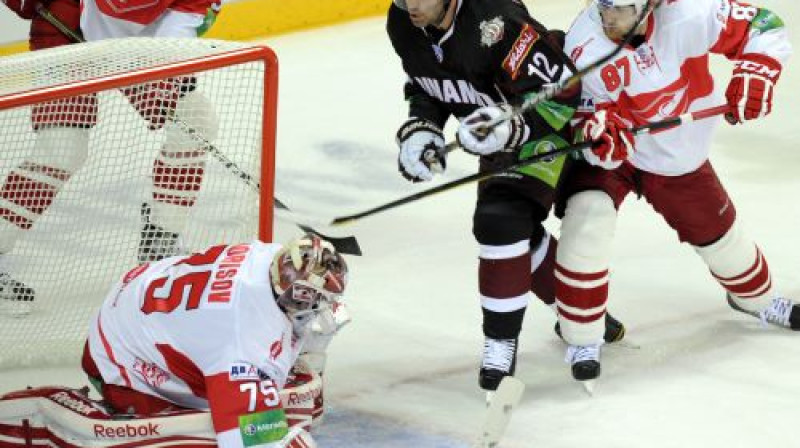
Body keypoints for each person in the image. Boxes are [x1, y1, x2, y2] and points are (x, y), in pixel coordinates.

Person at [387, 0, 627, 392]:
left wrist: (509, 126)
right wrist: (422, 125)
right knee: (507, 230)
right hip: (500, 128)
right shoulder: (402, 22)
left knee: (502, 222)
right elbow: (430, 81)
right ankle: (578, 311)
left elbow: (562, 92)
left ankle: (501, 344)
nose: (410, 5)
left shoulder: (496, 22)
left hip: (557, 123)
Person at [556, 0, 797, 384]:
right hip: (615, 158)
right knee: (588, 219)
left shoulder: (689, 13)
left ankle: (758, 300)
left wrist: (758, 70)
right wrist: (595, 133)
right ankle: (581, 336)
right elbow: (581, 117)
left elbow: (764, 25)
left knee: (719, 237)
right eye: (601, 6)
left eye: (619, 9)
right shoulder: (583, 43)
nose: (607, 17)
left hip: (674, 150)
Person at [0, 0, 222, 308]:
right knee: (62, 149)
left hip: (131, 44)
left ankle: (161, 238)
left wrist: (169, 78)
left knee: (193, 120)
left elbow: (177, 30)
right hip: (65, 26)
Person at [80, 233, 349, 447]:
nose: (323, 307)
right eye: (318, 300)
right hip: (117, 359)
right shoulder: (245, 344)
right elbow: (253, 441)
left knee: (295, 381)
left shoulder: (268, 256)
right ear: (299, 295)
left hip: (137, 292)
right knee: (222, 435)